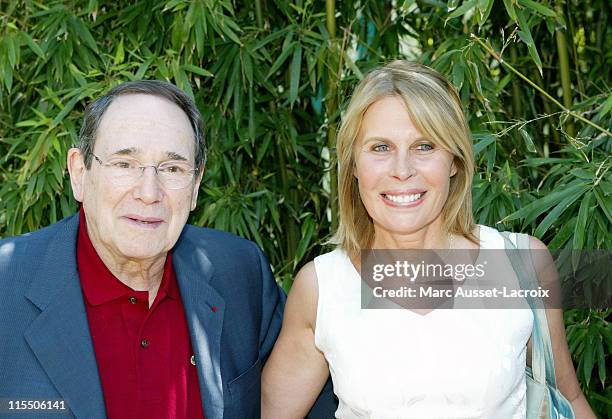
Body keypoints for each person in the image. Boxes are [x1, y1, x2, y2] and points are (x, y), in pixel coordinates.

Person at [261, 61, 595, 418]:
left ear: (455, 160)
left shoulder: (521, 263)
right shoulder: (321, 287)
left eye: (424, 146)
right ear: (353, 165)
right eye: (380, 148)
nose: (402, 170)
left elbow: (568, 399)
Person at [0, 81, 334, 419]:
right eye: (124, 164)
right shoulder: (6, 289)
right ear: (79, 173)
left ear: (195, 186)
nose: (149, 192)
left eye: (172, 169)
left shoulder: (239, 273)